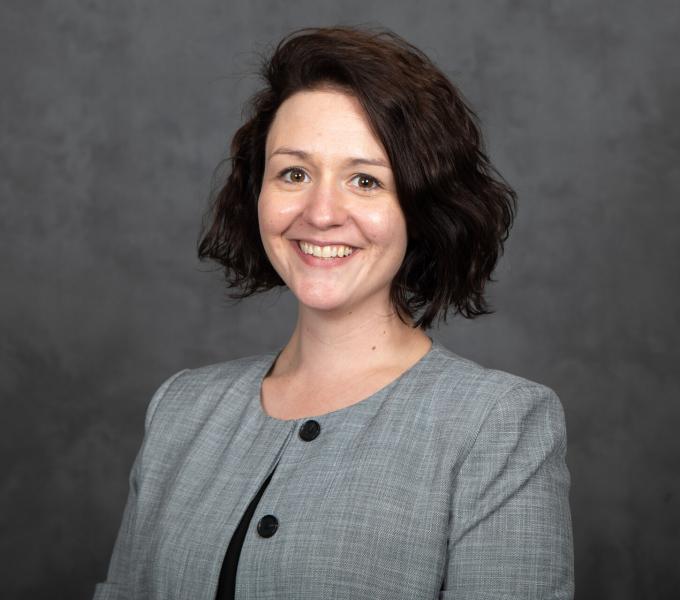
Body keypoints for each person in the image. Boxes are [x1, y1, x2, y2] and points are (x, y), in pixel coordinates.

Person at [94, 25, 574, 600]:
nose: (321, 213)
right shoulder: (180, 410)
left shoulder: (496, 426)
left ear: (420, 209)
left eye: (365, 180)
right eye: (293, 173)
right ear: (257, 194)